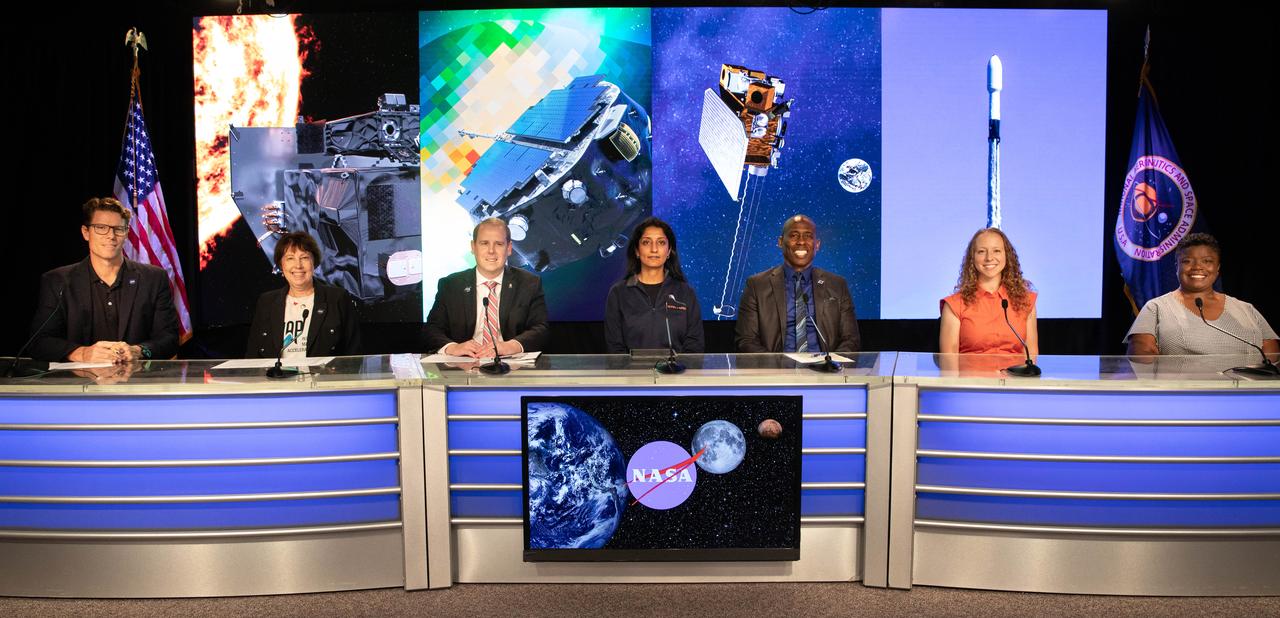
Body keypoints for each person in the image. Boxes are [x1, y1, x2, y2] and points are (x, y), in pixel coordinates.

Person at [27, 197, 179, 363]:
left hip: (136, 377)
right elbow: (40, 342)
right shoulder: (57, 281)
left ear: (126, 233)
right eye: (101, 228)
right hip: (77, 379)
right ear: (86, 232)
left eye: (118, 229)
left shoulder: (154, 279)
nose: (111, 236)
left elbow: (169, 339)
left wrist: (139, 350)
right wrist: (82, 353)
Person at [1126, 233, 1279, 356]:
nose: (1197, 267)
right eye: (1187, 261)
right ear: (1177, 267)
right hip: (1184, 386)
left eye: (1207, 261)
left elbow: (1272, 354)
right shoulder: (1156, 308)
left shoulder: (1246, 309)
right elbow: (1141, 358)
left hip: (1246, 386)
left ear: (1217, 268)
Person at [423, 218, 549, 356]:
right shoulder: (450, 285)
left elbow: (541, 329)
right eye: (484, 243)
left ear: (509, 248)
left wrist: (511, 346)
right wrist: (453, 348)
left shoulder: (529, 283)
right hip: (465, 363)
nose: (491, 251)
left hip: (510, 363)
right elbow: (432, 329)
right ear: (473, 247)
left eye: (499, 244)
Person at [735, 214, 860, 353]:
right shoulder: (756, 285)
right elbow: (747, 340)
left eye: (808, 236)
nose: (801, 241)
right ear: (780, 242)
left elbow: (851, 339)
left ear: (817, 245)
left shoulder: (837, 285)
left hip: (824, 365)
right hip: (777, 365)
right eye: (794, 235)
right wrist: (776, 364)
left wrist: (832, 362)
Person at [246, 232, 362, 359]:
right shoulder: (267, 302)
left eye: (304, 258)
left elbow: (354, 354)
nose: (298, 265)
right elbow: (253, 354)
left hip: (323, 372)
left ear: (314, 263)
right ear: (281, 265)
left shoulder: (337, 298)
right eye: (290, 258)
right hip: (276, 373)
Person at [604, 217, 704, 354]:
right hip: (632, 368)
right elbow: (614, 348)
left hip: (676, 368)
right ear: (637, 250)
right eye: (646, 242)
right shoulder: (618, 293)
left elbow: (695, 345)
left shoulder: (685, 292)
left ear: (669, 251)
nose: (654, 249)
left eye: (661, 242)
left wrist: (677, 367)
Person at [939, 227, 1038, 357]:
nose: (989, 258)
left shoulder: (1025, 300)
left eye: (996, 251)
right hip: (972, 371)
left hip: (1015, 371)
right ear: (972, 258)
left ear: (1007, 255)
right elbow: (949, 362)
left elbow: (1031, 356)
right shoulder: (955, 305)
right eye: (981, 252)